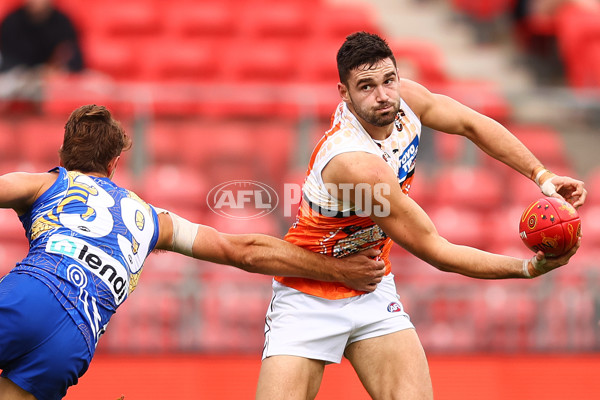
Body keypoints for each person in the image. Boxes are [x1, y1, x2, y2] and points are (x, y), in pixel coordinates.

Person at [255, 31, 587, 400]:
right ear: (344, 94)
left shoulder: (405, 100)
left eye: (388, 80)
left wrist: (543, 176)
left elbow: (472, 125)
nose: (382, 95)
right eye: (366, 86)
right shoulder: (353, 162)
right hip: (308, 293)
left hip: (370, 285)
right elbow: (435, 249)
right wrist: (527, 269)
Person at [0, 104, 386, 400]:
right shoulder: (153, 220)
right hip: (74, 340)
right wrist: (339, 270)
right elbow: (245, 250)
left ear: (63, 153)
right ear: (115, 164)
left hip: (29, 294)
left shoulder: (42, 184)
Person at [0, 0, 84, 112]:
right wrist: (35, 72)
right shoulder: (11, 21)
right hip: (20, 78)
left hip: (54, 81)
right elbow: (6, 59)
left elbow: (74, 59)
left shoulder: (63, 22)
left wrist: (57, 69)